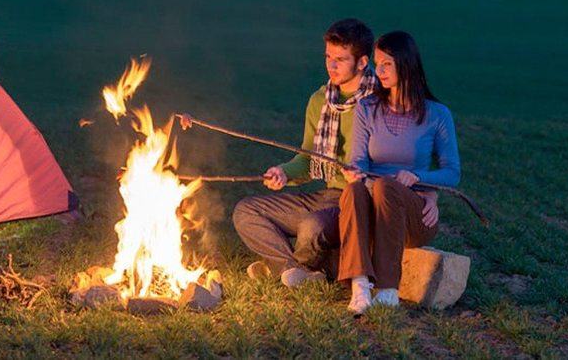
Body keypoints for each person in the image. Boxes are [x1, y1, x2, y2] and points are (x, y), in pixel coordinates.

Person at [184, 19, 379, 287]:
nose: (331, 66)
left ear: (362, 62)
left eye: (341, 60)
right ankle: (296, 270)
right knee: (246, 211)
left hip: (358, 201)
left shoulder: (380, 101)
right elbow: (309, 158)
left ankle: (288, 267)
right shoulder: (320, 101)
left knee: (313, 227)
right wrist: (284, 173)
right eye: (328, 57)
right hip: (327, 197)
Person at [337, 30, 460, 313]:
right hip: (372, 207)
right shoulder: (367, 108)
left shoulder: (437, 114)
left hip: (413, 214)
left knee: (385, 187)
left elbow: (452, 173)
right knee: (354, 189)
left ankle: (388, 289)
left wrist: (420, 178)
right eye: (376, 64)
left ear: (406, 63)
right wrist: (353, 172)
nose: (378, 71)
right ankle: (360, 286)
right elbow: (358, 160)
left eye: (386, 64)